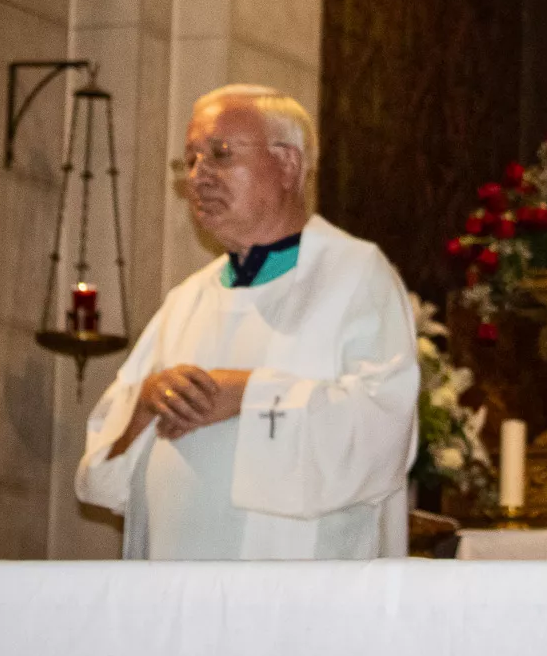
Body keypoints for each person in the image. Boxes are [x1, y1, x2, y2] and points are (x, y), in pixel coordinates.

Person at [75, 85, 418, 559]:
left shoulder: (355, 276)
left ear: (289, 166)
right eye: (190, 160)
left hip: (296, 600)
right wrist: (147, 402)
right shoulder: (186, 300)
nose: (198, 177)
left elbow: (382, 432)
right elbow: (100, 480)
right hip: (174, 598)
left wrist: (247, 395)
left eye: (219, 154)